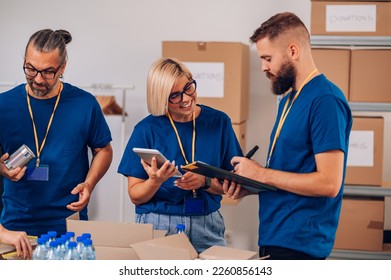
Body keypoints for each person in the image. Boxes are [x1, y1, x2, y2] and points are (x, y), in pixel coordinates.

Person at [224, 12, 352, 260]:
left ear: (293, 51)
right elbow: (292, 171)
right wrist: (253, 184)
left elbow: (329, 183)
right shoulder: (289, 100)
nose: (263, 67)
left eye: (268, 58)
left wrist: (261, 173)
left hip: (299, 245)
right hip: (275, 236)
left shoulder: (325, 100)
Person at [0, 29, 113, 259]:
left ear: (62, 68)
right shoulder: (3, 105)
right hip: (15, 227)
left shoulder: (85, 104)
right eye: (31, 69)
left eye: (48, 72)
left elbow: (103, 150)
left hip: (69, 230)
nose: (38, 79)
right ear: (24, 62)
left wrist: (89, 184)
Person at [118, 57, 243, 253]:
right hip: (158, 223)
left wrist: (205, 181)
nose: (185, 99)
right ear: (160, 98)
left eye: (188, 88)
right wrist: (154, 181)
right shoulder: (146, 129)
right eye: (174, 96)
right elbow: (135, 196)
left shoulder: (219, 122)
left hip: (207, 224)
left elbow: (232, 185)